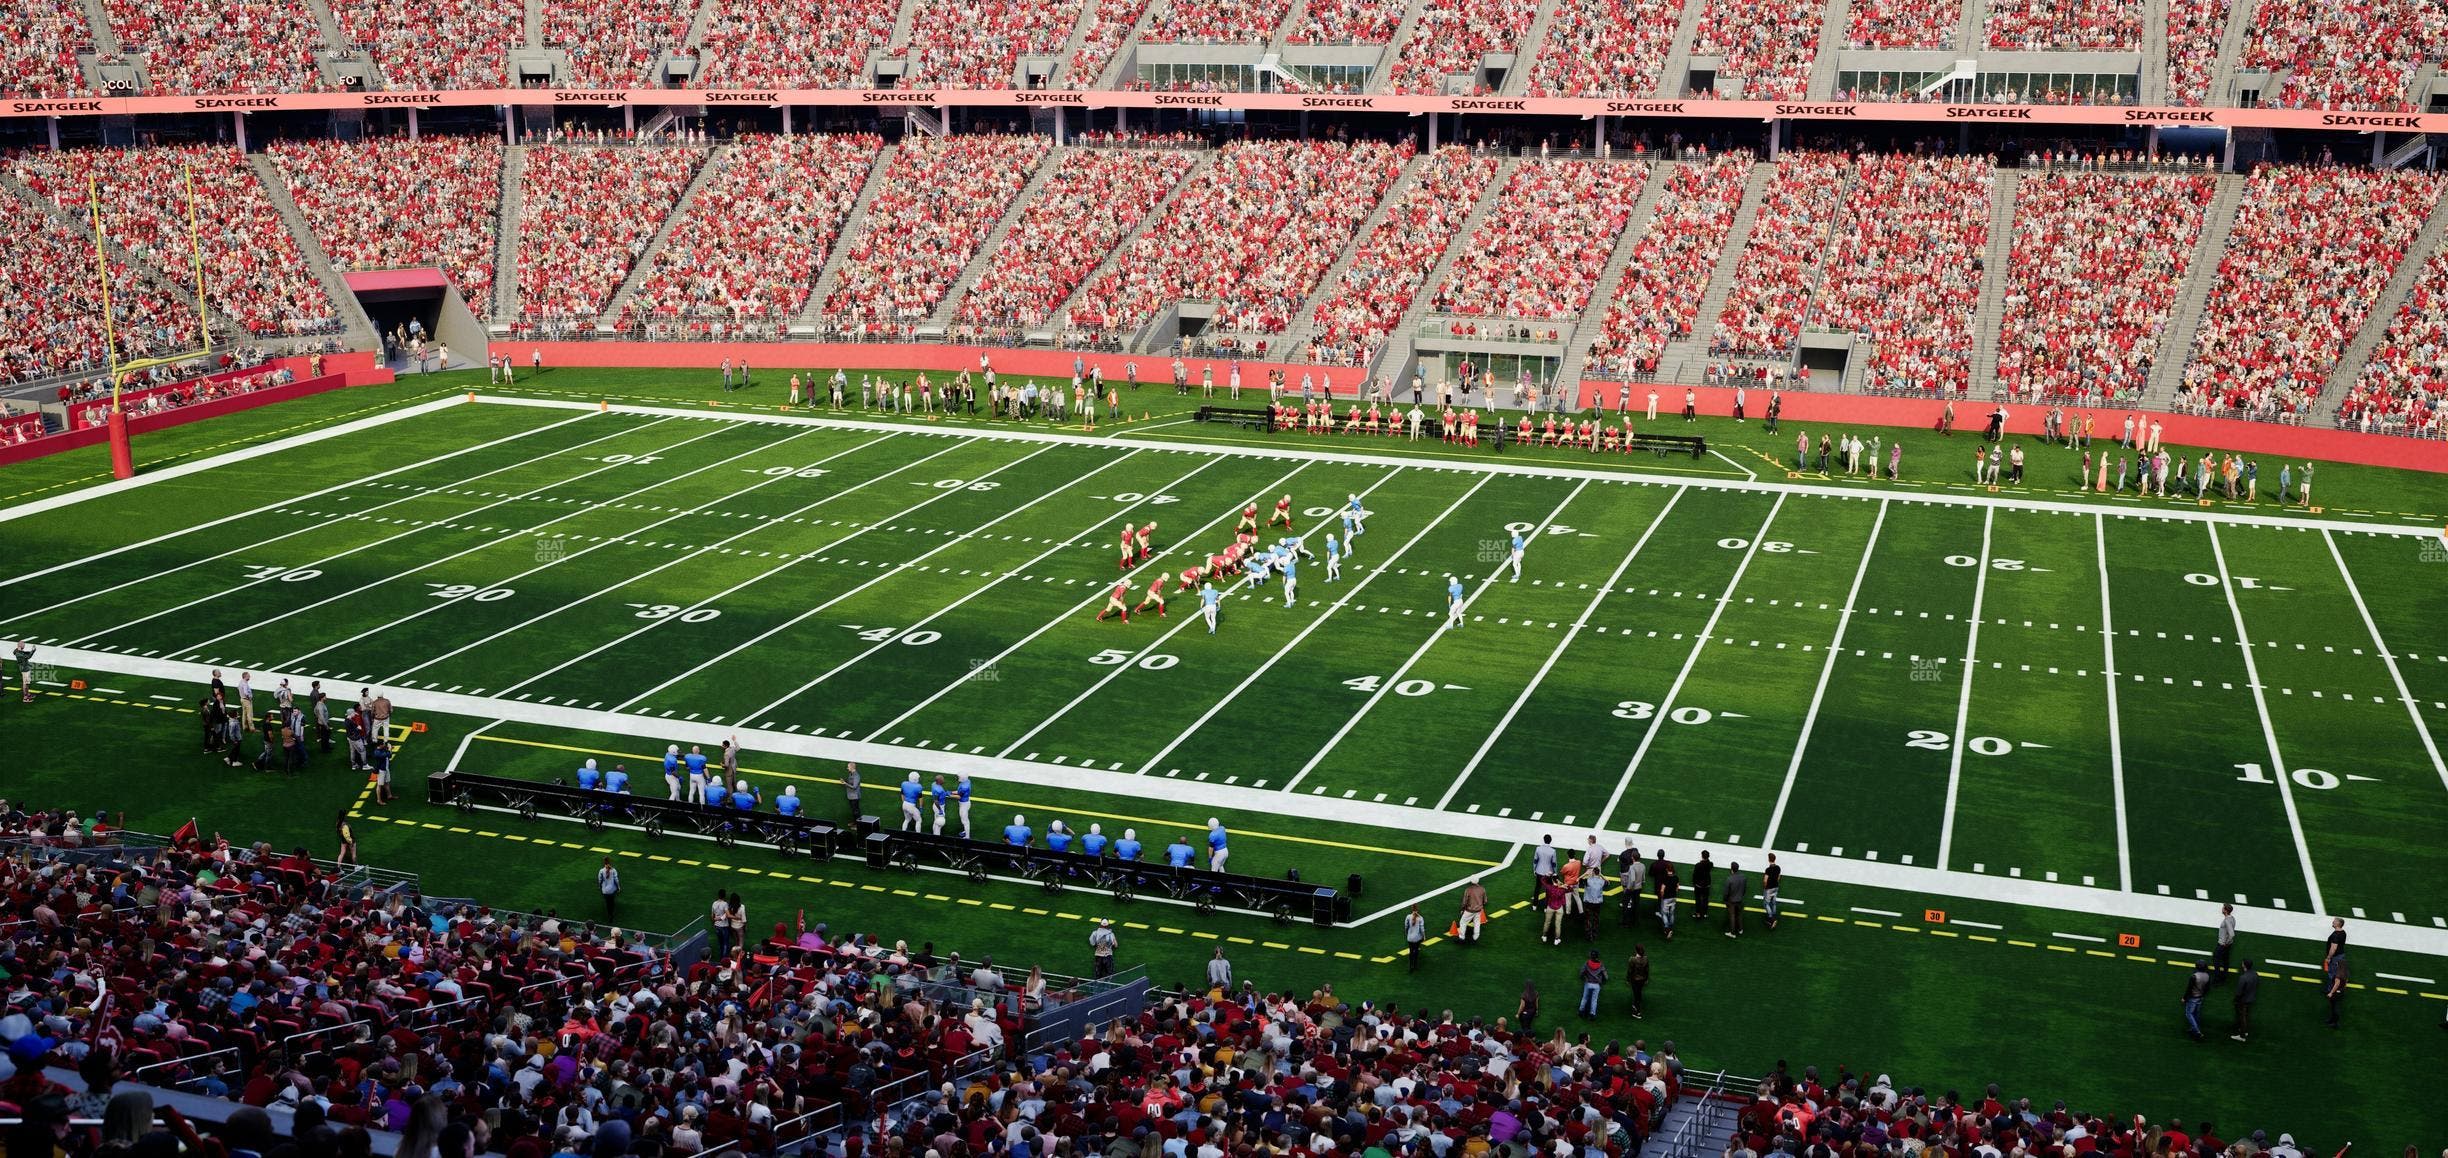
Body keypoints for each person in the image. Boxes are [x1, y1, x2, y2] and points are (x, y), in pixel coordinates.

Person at [2181, 960, 2211, 1041]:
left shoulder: (2194, 976)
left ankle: (2197, 1031)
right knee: (2196, 1014)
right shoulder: (2207, 976)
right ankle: (2193, 1029)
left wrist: (2184, 998)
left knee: (2189, 1014)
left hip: (2193, 998)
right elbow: (2207, 988)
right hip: (2200, 997)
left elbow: (2189, 989)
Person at [2230, 960, 2259, 1042]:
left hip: (2243, 1000)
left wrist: (2235, 1000)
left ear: (2244, 966)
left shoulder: (2243, 978)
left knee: (2242, 1017)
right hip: (2251, 998)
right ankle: (2245, 1031)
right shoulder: (2255, 974)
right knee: (2246, 1015)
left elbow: (2239, 992)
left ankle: (2242, 1035)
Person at [1577, 952, 1607, 1018]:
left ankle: (1581, 1011)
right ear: (1597, 957)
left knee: (1584, 998)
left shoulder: (1587, 963)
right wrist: (1602, 981)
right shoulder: (1601, 965)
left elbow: (1581, 972)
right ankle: (1592, 1014)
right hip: (1596, 985)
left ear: (1591, 956)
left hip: (1588, 983)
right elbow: (1605, 976)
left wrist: (1584, 978)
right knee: (1594, 1000)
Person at [1458, 877, 1488, 945]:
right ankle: (1475, 937)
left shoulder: (1468, 890)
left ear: (1471, 882)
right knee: (1477, 923)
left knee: (1463, 922)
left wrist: (1462, 909)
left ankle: (1461, 938)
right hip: (1478, 910)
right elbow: (1485, 901)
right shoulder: (1482, 889)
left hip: (1469, 910)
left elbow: (1464, 901)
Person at [2322, 950, 2347, 1028]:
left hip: (2336, 992)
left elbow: (2336, 984)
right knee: (2334, 1007)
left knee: (2334, 1007)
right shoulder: (2345, 971)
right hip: (2341, 991)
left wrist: (2331, 993)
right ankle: (2332, 1020)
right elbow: (2346, 981)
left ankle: (2335, 1023)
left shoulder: (2338, 974)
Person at [1723, 861, 1747, 937]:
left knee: (1732, 916)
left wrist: (1725, 899)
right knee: (1739, 914)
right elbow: (1744, 890)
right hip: (1740, 899)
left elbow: (1726, 892)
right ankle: (1740, 929)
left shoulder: (1729, 879)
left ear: (1731, 869)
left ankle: (1732, 933)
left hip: (1732, 901)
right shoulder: (1743, 877)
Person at [2212, 903, 2236, 979]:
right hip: (2228, 944)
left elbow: (2231, 934)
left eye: (2223, 908)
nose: (2222, 909)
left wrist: (2226, 943)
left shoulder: (2227, 920)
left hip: (2223, 944)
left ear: (2225, 910)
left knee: (2216, 959)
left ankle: (2217, 977)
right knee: (2225, 958)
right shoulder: (2232, 918)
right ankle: (2225, 974)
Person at [1626, 944, 1650, 1019]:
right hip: (1642, 980)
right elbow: (1647, 970)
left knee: (1637, 995)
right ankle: (1636, 1008)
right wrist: (1646, 979)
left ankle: (1636, 1012)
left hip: (1634, 980)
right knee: (1638, 994)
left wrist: (1627, 979)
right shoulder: (1645, 959)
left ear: (1636, 950)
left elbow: (1629, 971)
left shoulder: (1632, 959)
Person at [1761, 854, 1782, 929]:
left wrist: (1765, 887)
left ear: (1769, 859)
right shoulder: (1778, 868)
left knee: (1766, 903)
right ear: (1774, 859)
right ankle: (1774, 914)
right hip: (1776, 887)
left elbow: (1765, 880)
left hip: (1769, 888)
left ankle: (1771, 919)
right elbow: (1778, 877)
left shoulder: (1768, 870)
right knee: (1773, 902)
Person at [1404, 906, 1427, 971]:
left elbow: (1406, 926)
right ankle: (1415, 965)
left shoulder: (1408, 917)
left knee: (1411, 951)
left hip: (1410, 938)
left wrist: (1407, 933)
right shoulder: (1420, 918)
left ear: (1412, 910)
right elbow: (1422, 929)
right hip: (1417, 938)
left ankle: (1410, 966)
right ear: (1418, 910)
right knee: (1416, 951)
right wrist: (1424, 936)